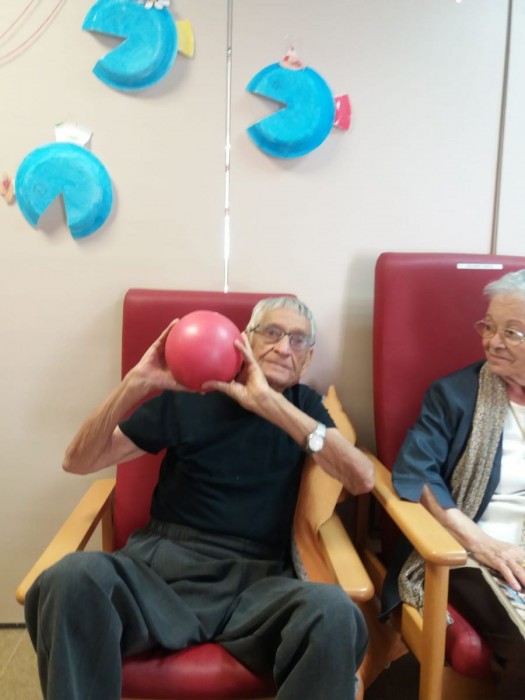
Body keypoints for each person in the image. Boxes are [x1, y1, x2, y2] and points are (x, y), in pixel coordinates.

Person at [25, 295, 374, 700]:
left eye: (298, 340)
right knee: (70, 578)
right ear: (245, 339)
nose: (284, 347)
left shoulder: (304, 407)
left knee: (334, 613)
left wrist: (270, 404)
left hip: (257, 585)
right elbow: (78, 461)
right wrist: (135, 383)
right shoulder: (194, 395)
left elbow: (361, 477)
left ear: (308, 359)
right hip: (162, 569)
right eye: (273, 332)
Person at [383, 270, 525, 698]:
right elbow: (416, 472)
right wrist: (482, 544)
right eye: (489, 326)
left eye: (511, 332)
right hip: (472, 554)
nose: (493, 342)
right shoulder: (455, 395)